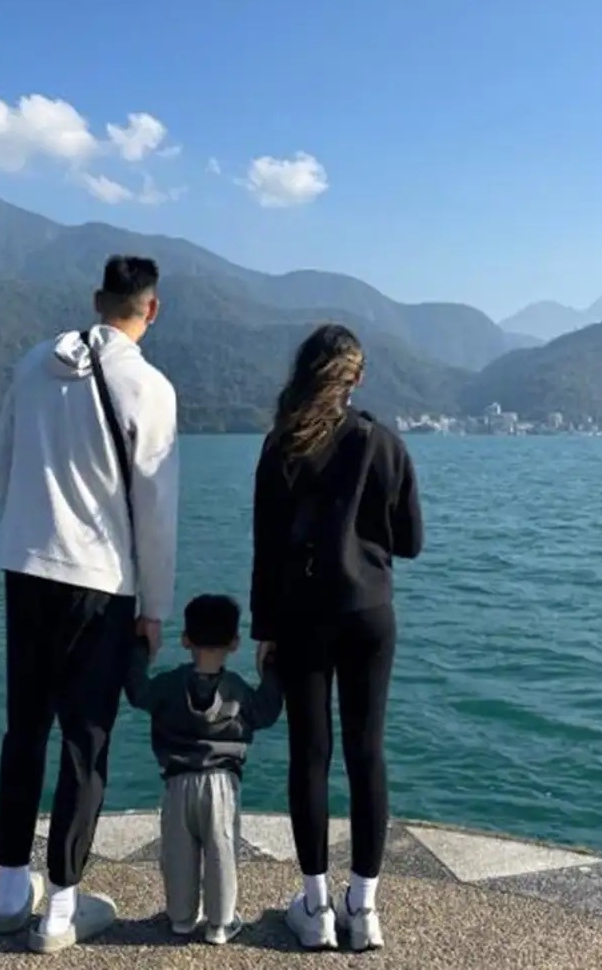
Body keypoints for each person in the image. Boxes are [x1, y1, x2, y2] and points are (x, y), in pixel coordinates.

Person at [0, 256, 180, 954]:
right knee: (85, 740)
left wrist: (20, 534)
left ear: (98, 299)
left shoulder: (31, 365)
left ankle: (11, 894)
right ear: (151, 309)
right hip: (100, 583)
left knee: (24, 730)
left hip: (25, 567)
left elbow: (3, 462)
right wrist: (154, 605)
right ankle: (62, 909)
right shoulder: (148, 386)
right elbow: (156, 510)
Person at [250, 325, 423, 954]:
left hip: (302, 616)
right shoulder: (384, 442)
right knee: (367, 754)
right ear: (358, 378)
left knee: (310, 755)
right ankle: (364, 908)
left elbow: (266, 547)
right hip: (370, 613)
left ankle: (316, 907)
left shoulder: (282, 444)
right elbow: (411, 541)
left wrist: (264, 629)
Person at [124, 593, 283, 946]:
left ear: (185, 639)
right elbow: (268, 711)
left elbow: (137, 692)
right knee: (221, 851)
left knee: (178, 852)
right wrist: (271, 669)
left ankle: (181, 918)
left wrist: (140, 651)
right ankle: (220, 923)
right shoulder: (238, 691)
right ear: (234, 643)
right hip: (222, 783)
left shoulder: (167, 685)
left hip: (177, 781)